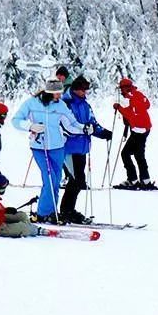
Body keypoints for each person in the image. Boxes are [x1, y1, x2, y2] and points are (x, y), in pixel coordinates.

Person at [11, 79, 87, 222]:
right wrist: (30, 126)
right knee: (49, 178)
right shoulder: (31, 103)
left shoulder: (61, 105)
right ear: (49, 92)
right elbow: (16, 120)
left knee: (56, 180)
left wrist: (83, 128)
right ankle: (43, 212)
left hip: (58, 147)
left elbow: (71, 123)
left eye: (60, 92)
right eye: (57, 93)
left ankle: (51, 211)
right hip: (39, 146)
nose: (59, 95)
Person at [60, 76, 112, 223]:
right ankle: (66, 211)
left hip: (82, 148)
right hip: (68, 148)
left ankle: (69, 209)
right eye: (83, 90)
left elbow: (92, 123)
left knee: (79, 181)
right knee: (75, 180)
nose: (85, 93)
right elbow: (67, 125)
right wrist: (85, 130)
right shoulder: (66, 104)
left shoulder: (85, 105)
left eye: (86, 90)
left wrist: (102, 133)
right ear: (76, 89)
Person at [113, 77, 155, 190]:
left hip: (139, 130)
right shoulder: (137, 94)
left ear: (126, 88)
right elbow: (147, 105)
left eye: (121, 89)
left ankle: (133, 180)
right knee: (138, 154)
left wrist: (120, 108)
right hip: (143, 128)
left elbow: (133, 114)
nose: (121, 92)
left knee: (126, 153)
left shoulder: (133, 96)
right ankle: (145, 180)